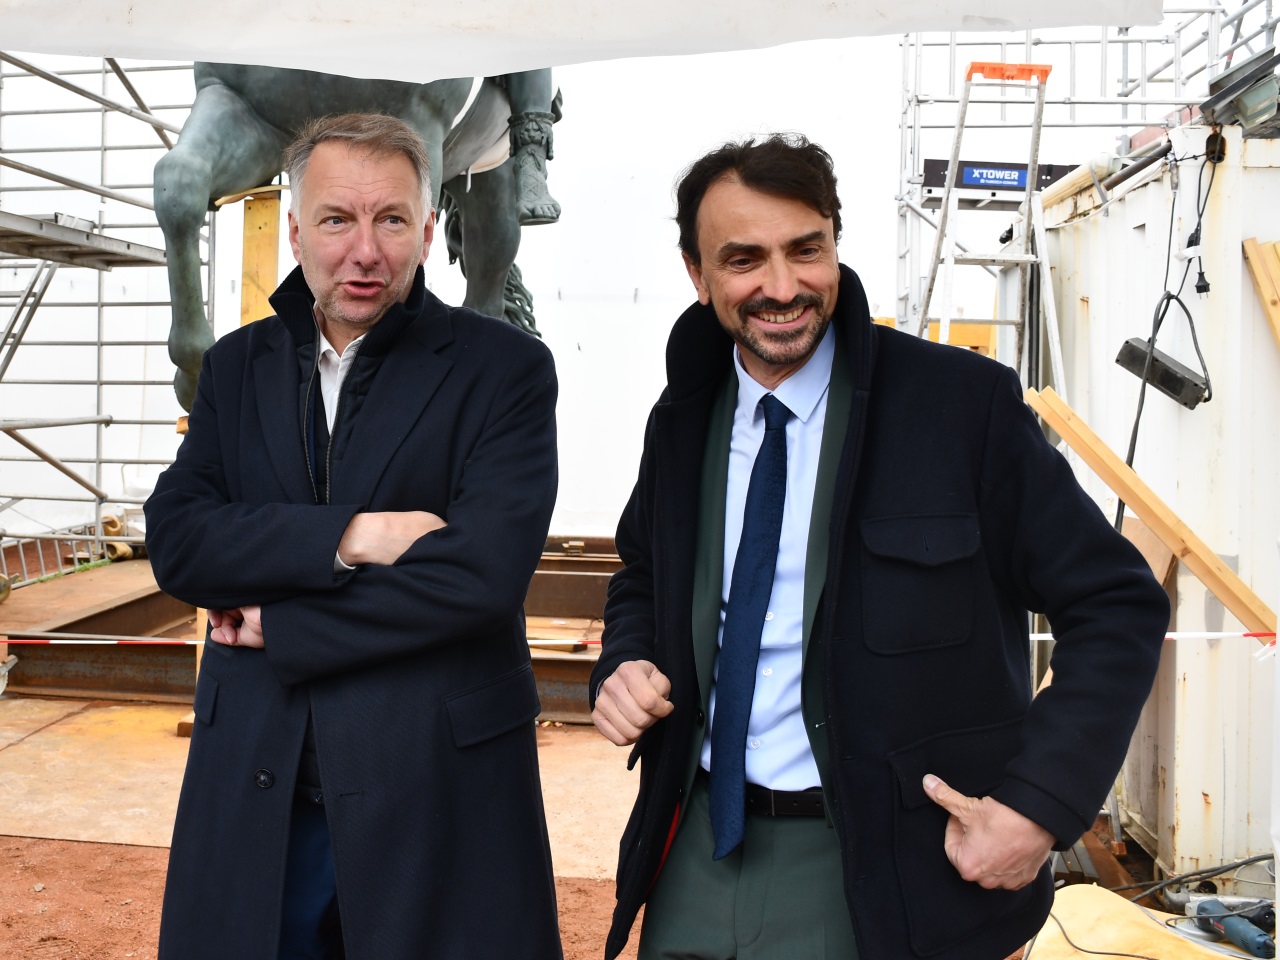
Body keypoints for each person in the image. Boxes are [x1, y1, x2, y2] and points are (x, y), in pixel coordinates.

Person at [589, 134, 1169, 960]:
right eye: (745, 259)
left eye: (806, 250)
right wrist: (625, 660)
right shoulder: (683, 418)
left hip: (889, 875)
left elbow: (1116, 603)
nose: (782, 287)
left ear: (835, 243)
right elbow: (644, 574)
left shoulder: (959, 407)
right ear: (697, 274)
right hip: (695, 851)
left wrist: (1040, 803)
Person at [145, 113, 562, 960]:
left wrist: (283, 622)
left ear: (429, 230)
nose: (364, 252)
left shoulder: (506, 370)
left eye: (391, 219)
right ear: (297, 232)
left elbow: (480, 577)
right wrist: (355, 537)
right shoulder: (235, 366)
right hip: (260, 784)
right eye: (337, 220)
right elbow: (180, 541)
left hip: (435, 791)